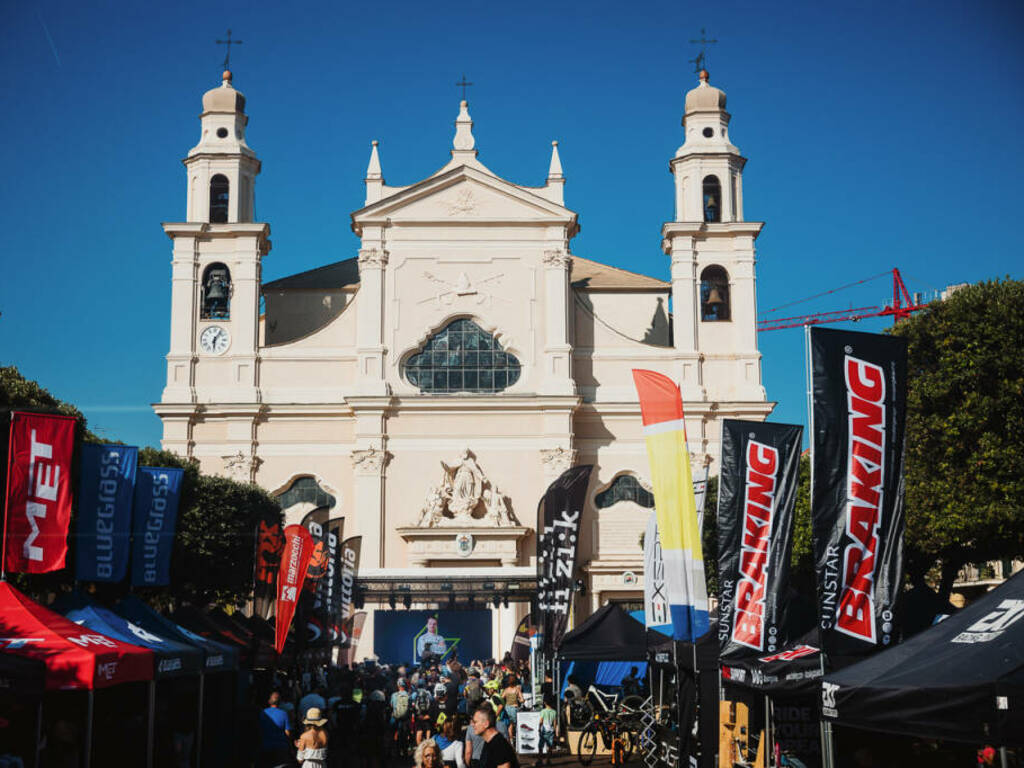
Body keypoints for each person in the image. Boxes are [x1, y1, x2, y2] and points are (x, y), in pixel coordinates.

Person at [258, 691, 292, 768]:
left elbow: (258, 730)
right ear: (280, 702)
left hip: (265, 746)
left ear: (269, 701)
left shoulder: (262, 713)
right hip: (280, 748)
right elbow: (288, 733)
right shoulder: (284, 714)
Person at [391, 679, 413, 756]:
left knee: (395, 734)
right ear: (404, 686)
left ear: (398, 685)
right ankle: (405, 752)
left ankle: (396, 751)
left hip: (396, 719)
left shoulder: (394, 695)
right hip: (405, 719)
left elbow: (391, 705)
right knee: (405, 735)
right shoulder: (409, 696)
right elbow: (410, 707)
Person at [501, 675, 523, 743]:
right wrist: (519, 699)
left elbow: (502, 697)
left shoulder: (506, 690)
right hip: (514, 708)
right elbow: (522, 699)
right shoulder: (517, 689)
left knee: (509, 726)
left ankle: (511, 742)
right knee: (515, 725)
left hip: (507, 708)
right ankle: (517, 741)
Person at [537, 694, 557, 766]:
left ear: (544, 702)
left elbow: (541, 721)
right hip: (551, 731)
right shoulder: (554, 712)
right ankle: (548, 760)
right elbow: (555, 723)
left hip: (544, 731)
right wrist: (554, 731)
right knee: (549, 746)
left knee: (540, 746)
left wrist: (539, 728)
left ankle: (540, 760)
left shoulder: (543, 711)